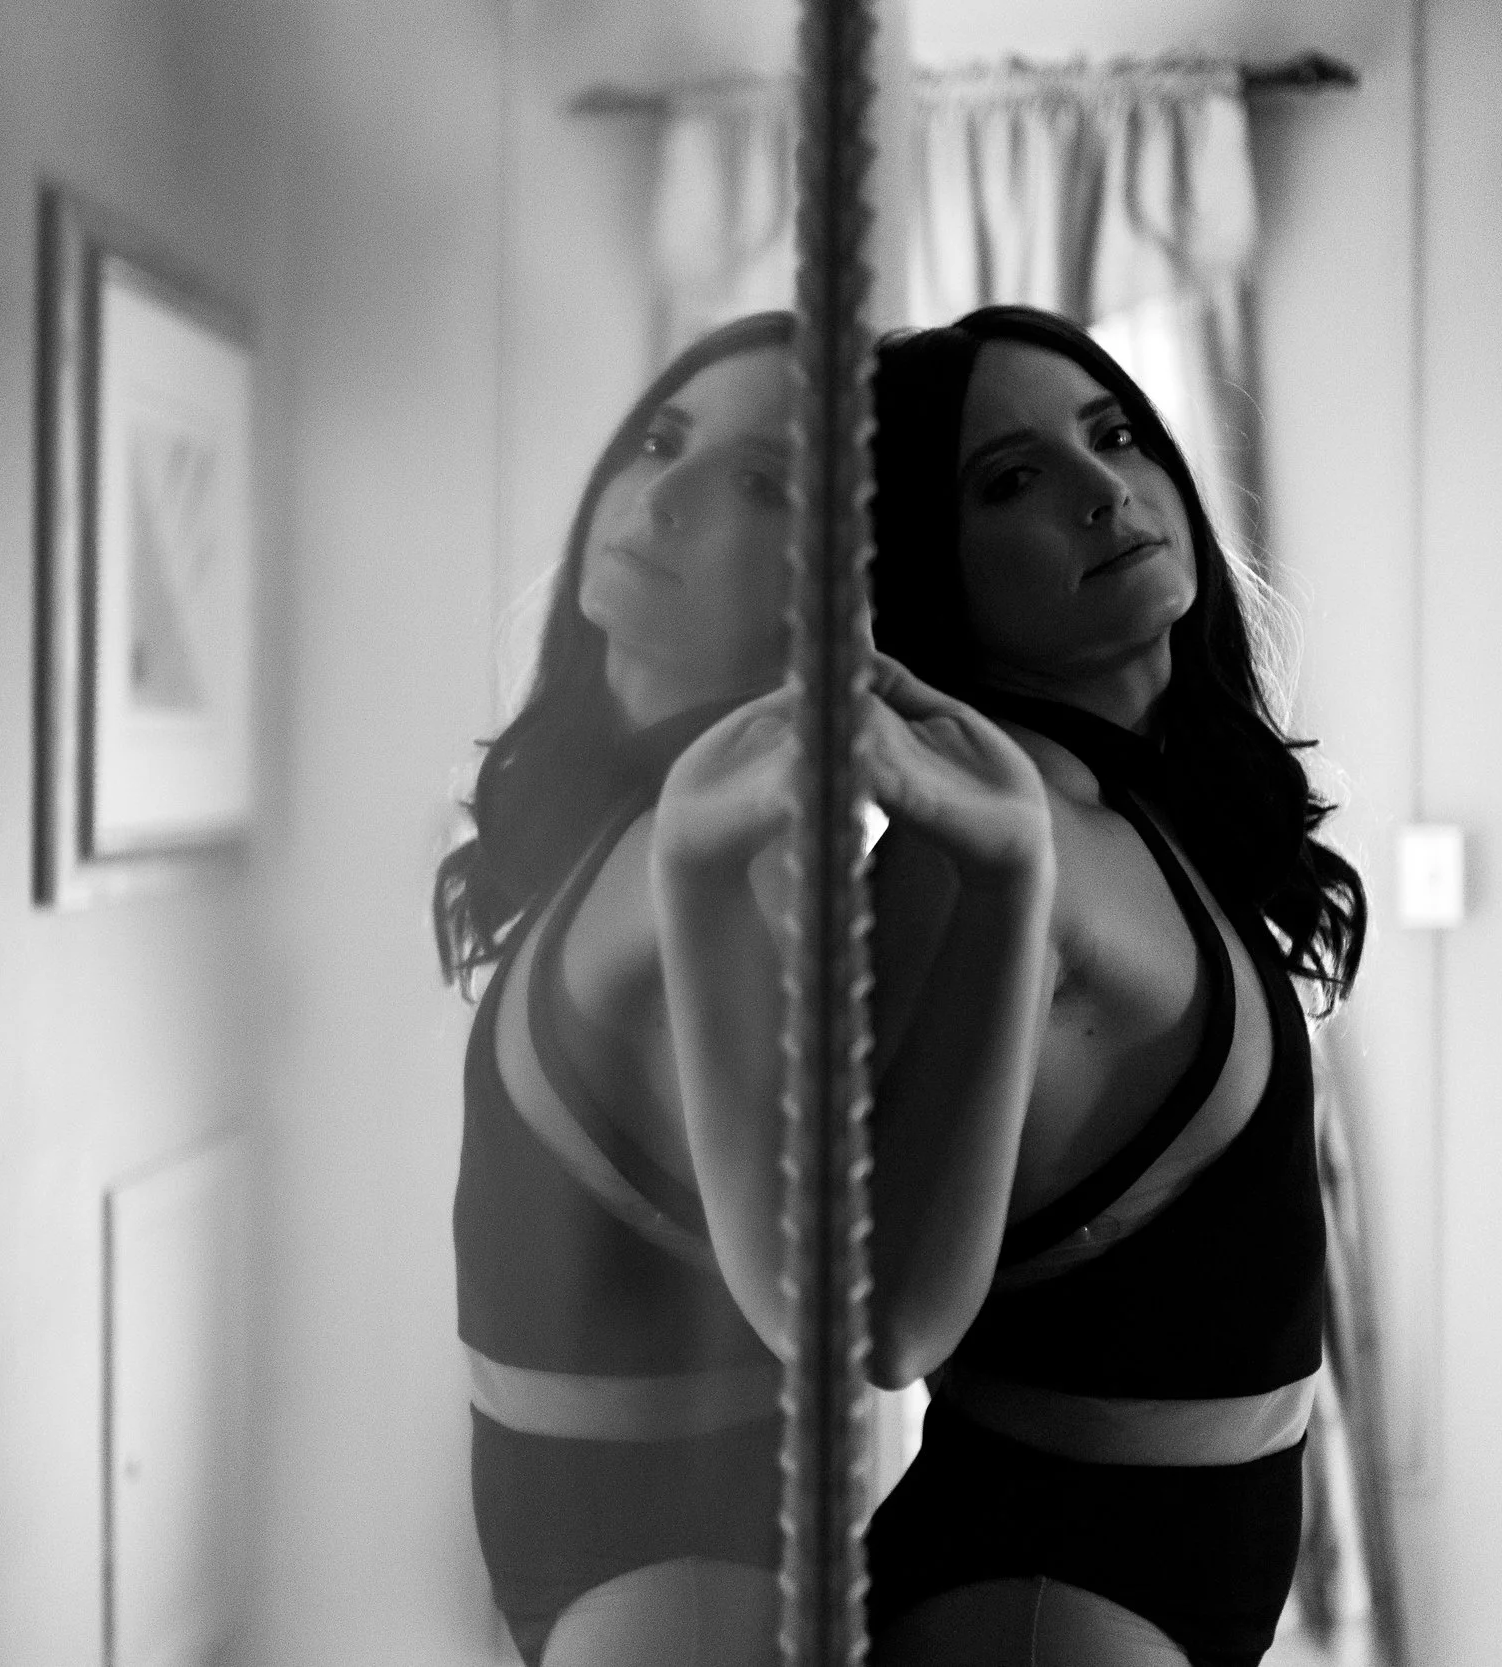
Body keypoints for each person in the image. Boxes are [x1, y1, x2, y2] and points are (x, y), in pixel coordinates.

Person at [435, 311, 1058, 1666]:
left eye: (766, 482)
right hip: (592, 1539)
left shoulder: (734, 859)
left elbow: (853, 1319)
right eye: (664, 440)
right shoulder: (640, 822)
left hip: (674, 1573)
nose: (663, 495)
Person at [859, 306, 1370, 1667]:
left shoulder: (1138, 802)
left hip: (1162, 1572)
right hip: (1042, 1592)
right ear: (928, 563)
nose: (1102, 490)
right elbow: (889, 1316)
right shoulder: (987, 839)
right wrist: (1004, 875)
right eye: (1010, 480)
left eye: (1116, 433)